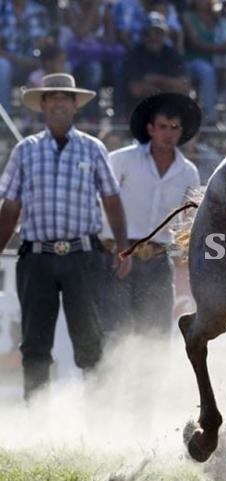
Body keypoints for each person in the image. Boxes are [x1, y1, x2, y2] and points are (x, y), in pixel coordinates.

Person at [0, 73, 131, 400]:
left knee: (89, 340)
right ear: (43, 104)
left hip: (83, 253)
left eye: (65, 97)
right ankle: (37, 419)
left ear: (75, 105)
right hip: (36, 254)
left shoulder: (92, 148)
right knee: (34, 342)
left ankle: (97, 414)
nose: (59, 103)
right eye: (52, 97)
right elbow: (10, 207)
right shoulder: (24, 150)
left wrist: (123, 245)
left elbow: (111, 200)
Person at [100, 93, 201, 337]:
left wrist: (182, 260)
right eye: (163, 127)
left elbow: (187, 225)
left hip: (157, 261)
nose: (168, 133)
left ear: (181, 131)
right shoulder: (122, 160)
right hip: (118, 255)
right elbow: (100, 201)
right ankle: (110, 377)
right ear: (150, 129)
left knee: (156, 334)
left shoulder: (189, 173)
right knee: (114, 332)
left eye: (174, 127)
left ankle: (150, 376)